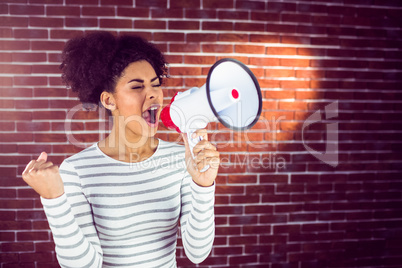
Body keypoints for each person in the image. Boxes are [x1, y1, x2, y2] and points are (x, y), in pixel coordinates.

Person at [21, 31, 220, 267]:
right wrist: (54, 199)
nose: (153, 94)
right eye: (137, 87)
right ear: (108, 100)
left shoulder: (182, 159)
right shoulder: (77, 170)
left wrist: (203, 186)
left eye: (156, 85)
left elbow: (197, 253)